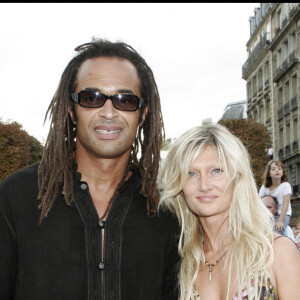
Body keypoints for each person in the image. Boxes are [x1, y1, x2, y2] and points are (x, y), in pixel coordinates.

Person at [0, 38, 180, 299]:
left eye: (125, 100)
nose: (108, 112)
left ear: (142, 114)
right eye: (91, 98)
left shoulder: (169, 208)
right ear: (72, 110)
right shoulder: (15, 197)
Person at [158, 123, 300, 300]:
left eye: (216, 171)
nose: (204, 185)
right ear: (179, 186)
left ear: (237, 177)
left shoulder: (276, 251)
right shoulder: (182, 264)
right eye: (191, 174)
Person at [259, 160, 292, 236]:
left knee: (277, 231)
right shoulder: (265, 187)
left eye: (279, 169)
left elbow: (285, 205)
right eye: (273, 169)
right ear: (269, 174)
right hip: (269, 213)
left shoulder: (286, 186)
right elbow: (258, 201)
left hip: (283, 214)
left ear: (283, 172)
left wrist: (280, 221)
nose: (277, 170)